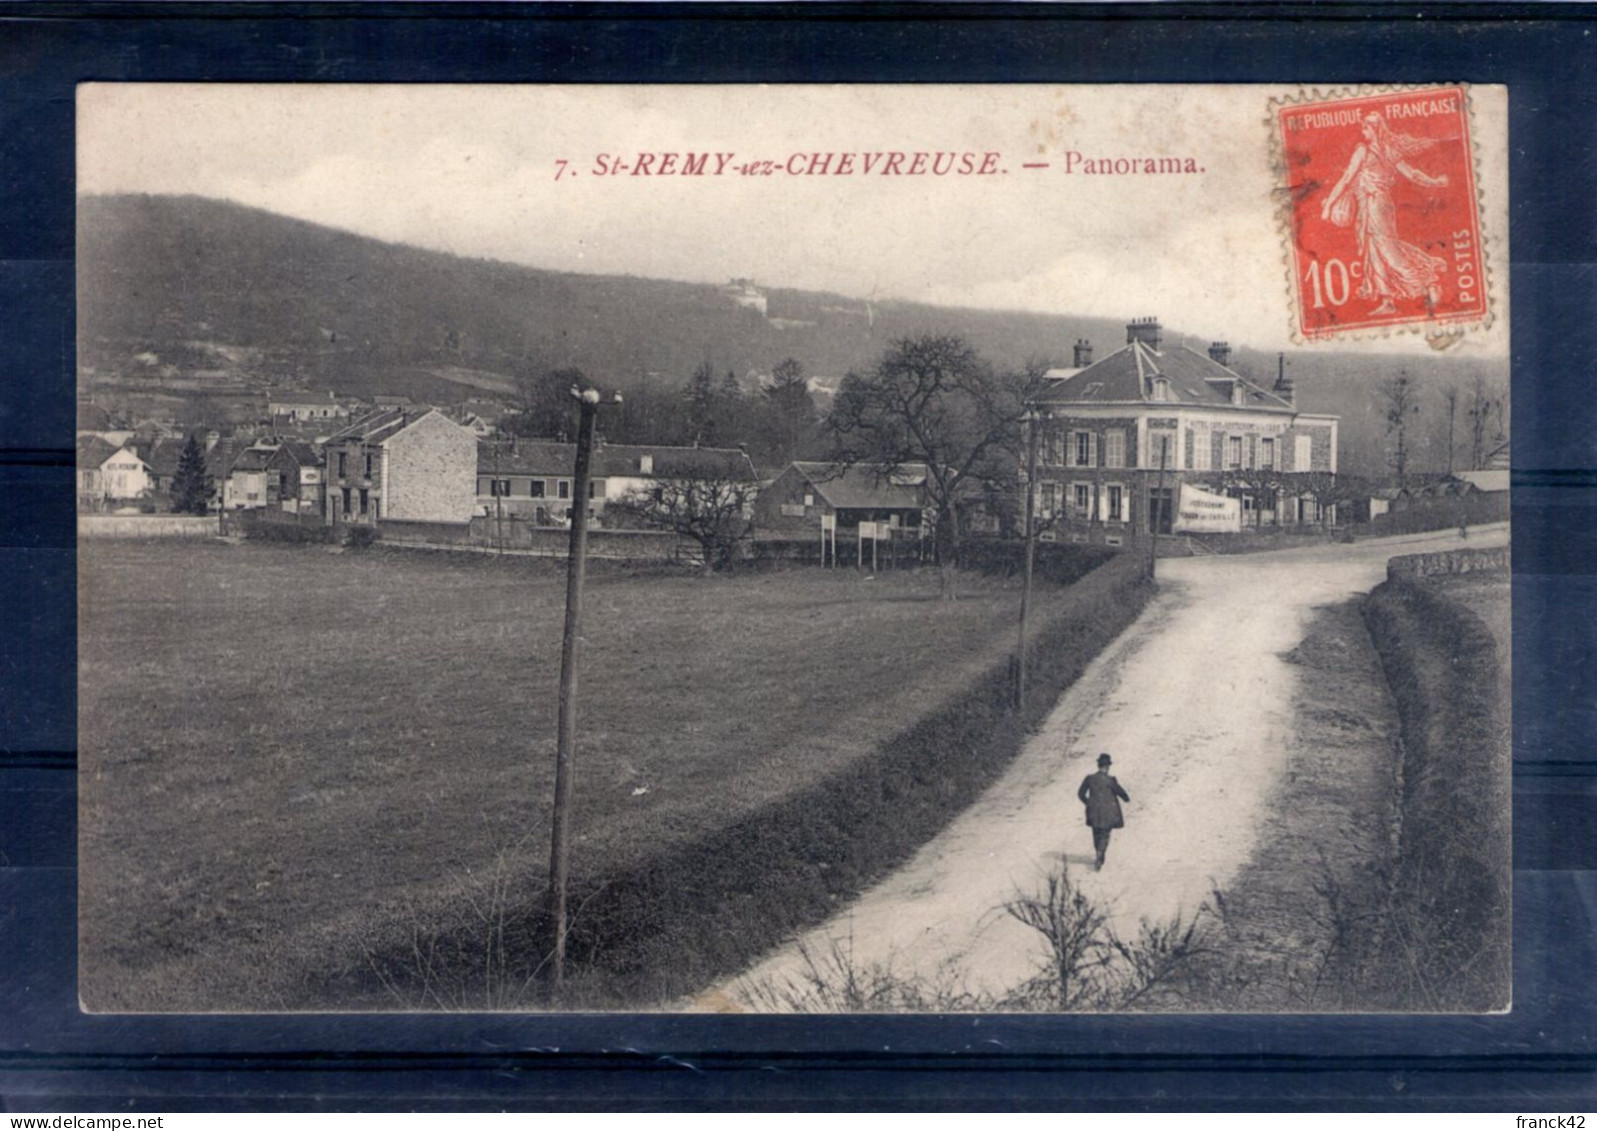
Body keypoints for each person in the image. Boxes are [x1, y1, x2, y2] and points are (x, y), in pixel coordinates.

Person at [1319, 111, 1450, 316]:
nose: (1363, 132)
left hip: (1374, 204)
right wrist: (1434, 182)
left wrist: (1328, 207)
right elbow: (1413, 174)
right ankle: (1387, 300)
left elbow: (1346, 179)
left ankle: (1429, 283)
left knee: (1388, 250)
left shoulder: (1363, 151)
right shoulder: (1389, 151)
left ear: (1374, 129)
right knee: (1375, 251)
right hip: (1379, 205)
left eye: (1365, 128)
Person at [1077, 752, 1130, 871]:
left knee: (1096, 833)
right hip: (1108, 813)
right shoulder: (1110, 780)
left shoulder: (1089, 779)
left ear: (1098, 766)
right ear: (1107, 767)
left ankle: (1098, 854)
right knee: (1105, 834)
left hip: (1093, 812)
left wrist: (1088, 803)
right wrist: (1126, 798)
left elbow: (1080, 794)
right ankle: (1100, 855)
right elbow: (1120, 791)